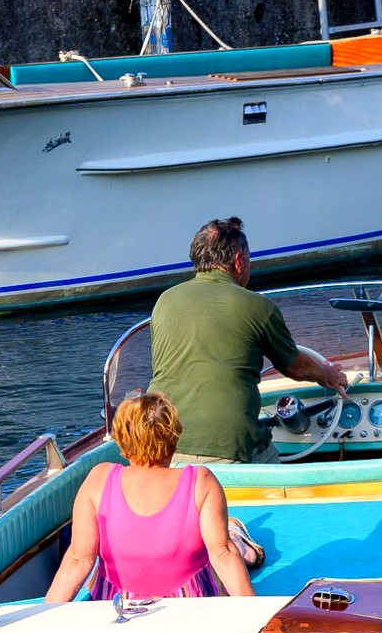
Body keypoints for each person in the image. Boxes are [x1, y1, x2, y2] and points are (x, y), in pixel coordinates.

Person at [148, 216, 349, 465]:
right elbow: (294, 366)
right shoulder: (258, 306)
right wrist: (327, 375)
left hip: (160, 441)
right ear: (239, 261)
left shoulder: (164, 301)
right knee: (275, 468)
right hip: (228, 447)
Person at [44, 393, 255, 603]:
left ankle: (237, 535)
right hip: (189, 604)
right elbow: (222, 554)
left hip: (118, 604)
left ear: (122, 442)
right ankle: (238, 537)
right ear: (174, 437)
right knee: (226, 544)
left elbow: (79, 559)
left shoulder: (98, 479)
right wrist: (255, 610)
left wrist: (45, 614)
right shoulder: (201, 481)